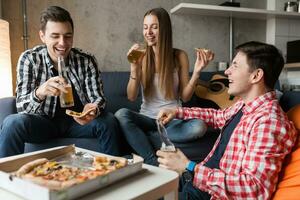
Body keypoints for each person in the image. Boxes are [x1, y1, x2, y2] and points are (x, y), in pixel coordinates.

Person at [156, 41, 297, 199]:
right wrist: (177, 111)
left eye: (235, 66)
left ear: (256, 75)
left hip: (209, 194)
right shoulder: (244, 105)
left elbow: (254, 189)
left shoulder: (268, 122)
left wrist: (188, 167)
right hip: (198, 183)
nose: (227, 71)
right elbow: (217, 116)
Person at [0, 6, 121, 157]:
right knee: (12, 123)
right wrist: (40, 92)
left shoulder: (86, 60)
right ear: (42, 36)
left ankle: (117, 172)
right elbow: (21, 107)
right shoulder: (29, 59)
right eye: (55, 36)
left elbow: (98, 98)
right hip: (42, 122)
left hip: (77, 122)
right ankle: (4, 178)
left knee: (108, 121)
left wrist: (93, 109)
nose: (62, 43)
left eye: (67, 36)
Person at [115, 7, 211, 166]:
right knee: (121, 115)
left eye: (154, 27)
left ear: (164, 29)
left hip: (171, 119)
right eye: (145, 27)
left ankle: (148, 137)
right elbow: (131, 96)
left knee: (199, 126)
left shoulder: (179, 56)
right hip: (147, 118)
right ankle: (153, 162)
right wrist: (134, 67)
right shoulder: (141, 55)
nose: (148, 32)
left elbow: (186, 96)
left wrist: (197, 71)